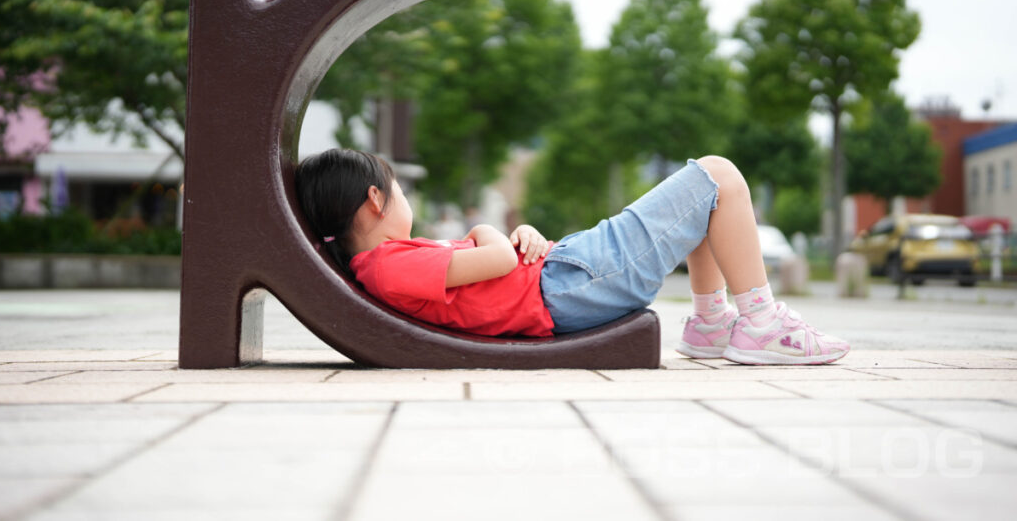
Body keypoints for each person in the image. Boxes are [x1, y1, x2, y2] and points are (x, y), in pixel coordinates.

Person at [295, 148, 849, 364]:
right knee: (717, 175)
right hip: (567, 285)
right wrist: (492, 229)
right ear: (374, 201)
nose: (404, 200)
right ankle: (761, 320)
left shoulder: (384, 263)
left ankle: (711, 324)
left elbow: (494, 268)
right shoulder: (388, 264)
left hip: (565, 277)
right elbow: (499, 263)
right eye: (399, 189)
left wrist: (522, 235)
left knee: (701, 202)